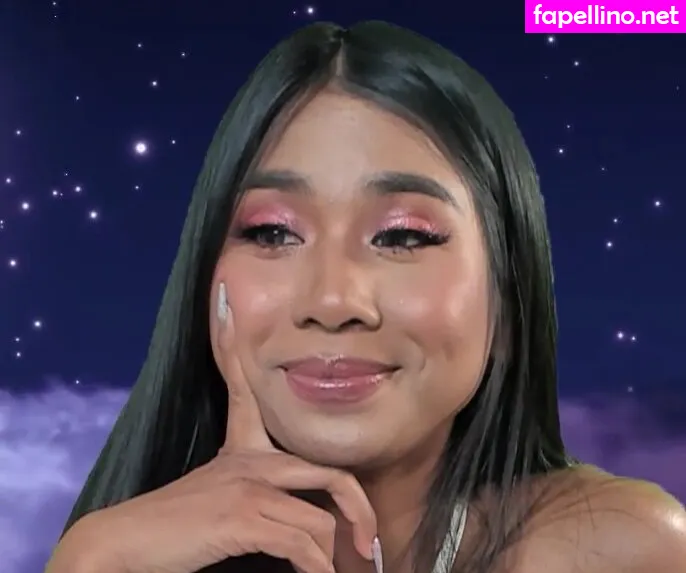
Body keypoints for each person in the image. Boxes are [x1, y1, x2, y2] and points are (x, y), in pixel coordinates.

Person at [46, 20, 685, 573]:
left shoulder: (620, 550)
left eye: (402, 236)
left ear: (509, 301)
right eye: (272, 232)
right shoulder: (117, 555)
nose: (332, 301)